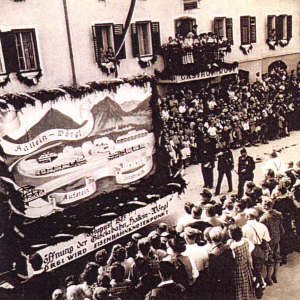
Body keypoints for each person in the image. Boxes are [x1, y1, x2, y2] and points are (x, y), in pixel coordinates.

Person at [242, 208, 271, 287]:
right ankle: (259, 282)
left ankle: (259, 283)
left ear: (248, 216)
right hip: (260, 248)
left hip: (249, 250)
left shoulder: (245, 228)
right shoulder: (262, 226)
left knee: (252, 268)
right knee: (259, 267)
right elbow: (267, 238)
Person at [260, 197, 285, 285]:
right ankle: (275, 275)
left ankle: (269, 278)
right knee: (277, 258)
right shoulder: (278, 214)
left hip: (269, 241)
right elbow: (281, 228)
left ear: (265, 206)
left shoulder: (264, 218)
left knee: (270, 259)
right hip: (277, 239)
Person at [227, 225, 256, 300]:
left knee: (238, 288)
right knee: (246, 285)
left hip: (237, 270)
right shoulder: (247, 241)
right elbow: (249, 256)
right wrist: (251, 268)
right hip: (246, 267)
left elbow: (232, 260)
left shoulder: (232, 246)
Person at [208, 226, 234, 300]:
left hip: (219, 282)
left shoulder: (213, 253)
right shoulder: (228, 248)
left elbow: (212, 272)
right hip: (229, 278)